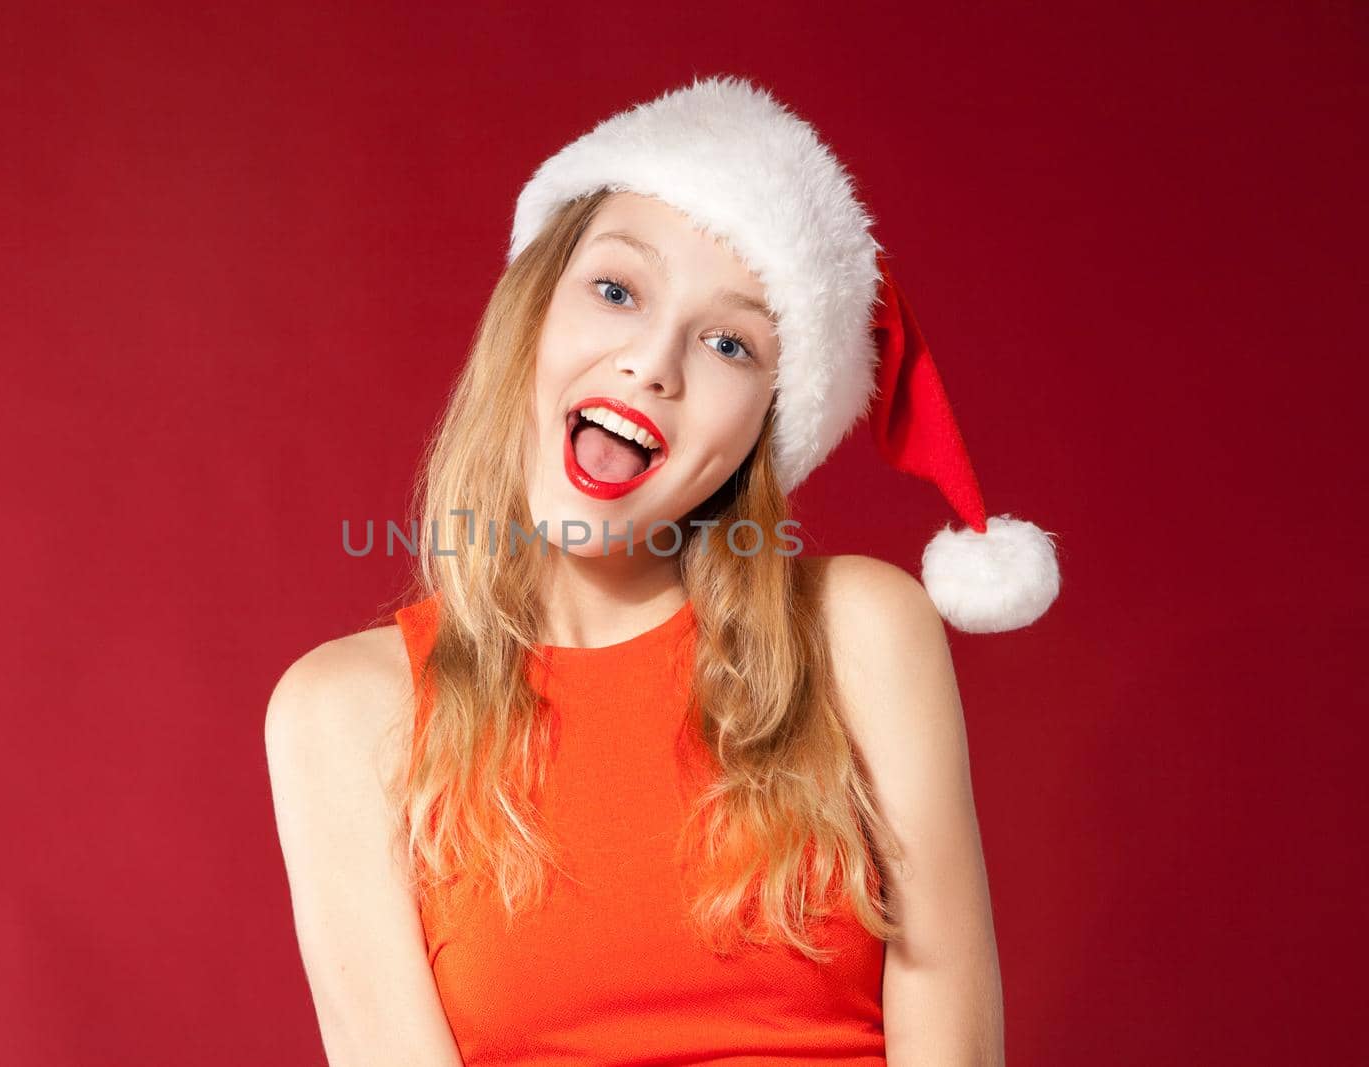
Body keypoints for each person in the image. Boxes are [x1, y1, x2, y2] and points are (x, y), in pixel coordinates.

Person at [265, 75, 1061, 1066]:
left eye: (730, 342)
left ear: (765, 425)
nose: (653, 363)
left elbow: (951, 1032)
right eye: (616, 289)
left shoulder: (861, 628)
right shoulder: (343, 709)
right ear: (531, 315)